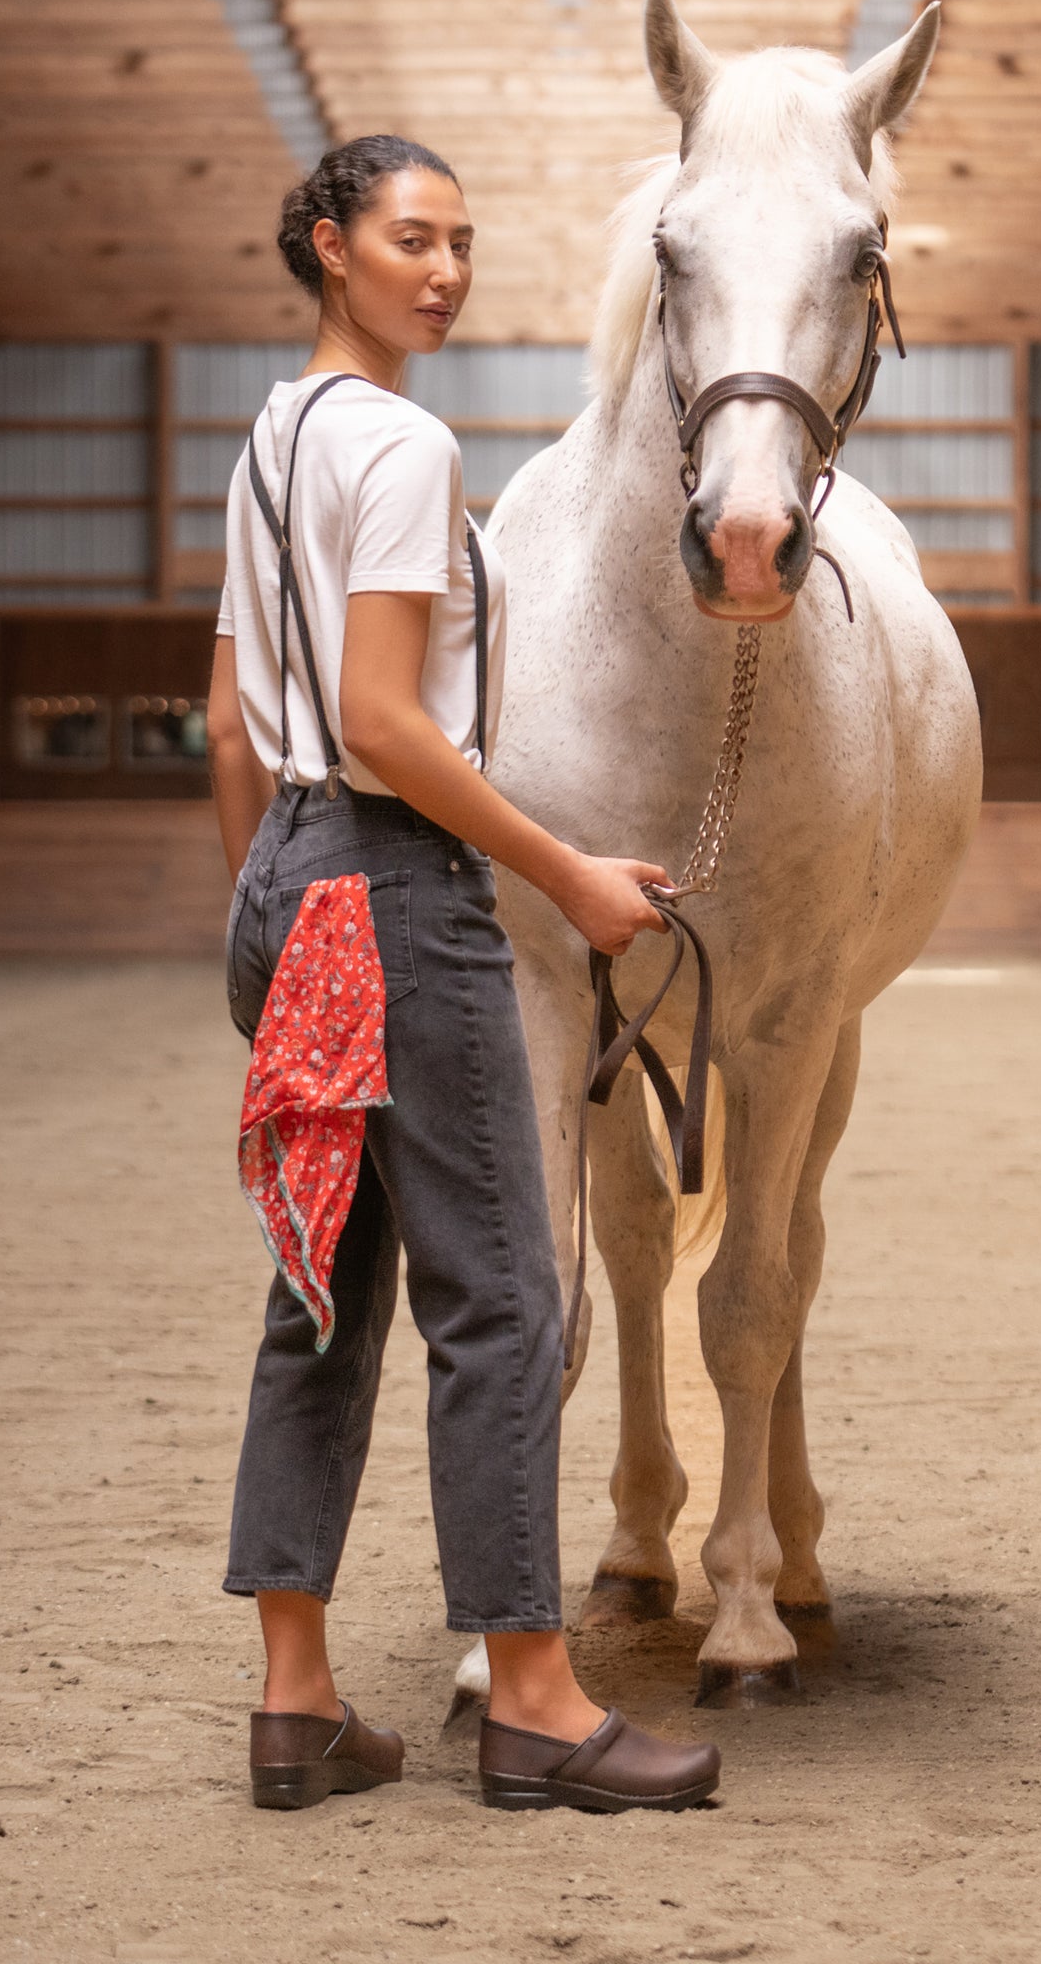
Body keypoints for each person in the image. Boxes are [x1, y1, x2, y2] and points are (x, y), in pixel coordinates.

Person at [207, 133, 721, 1816]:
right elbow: (381, 721)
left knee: (324, 1295)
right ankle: (537, 1698)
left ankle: (297, 1704)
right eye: (408, 239)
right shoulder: (411, 447)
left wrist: (278, 920)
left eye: (462, 243)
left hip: (290, 874)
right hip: (393, 886)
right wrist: (566, 872)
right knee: (505, 1295)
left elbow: (234, 720)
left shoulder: (271, 441)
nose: (443, 270)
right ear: (328, 246)